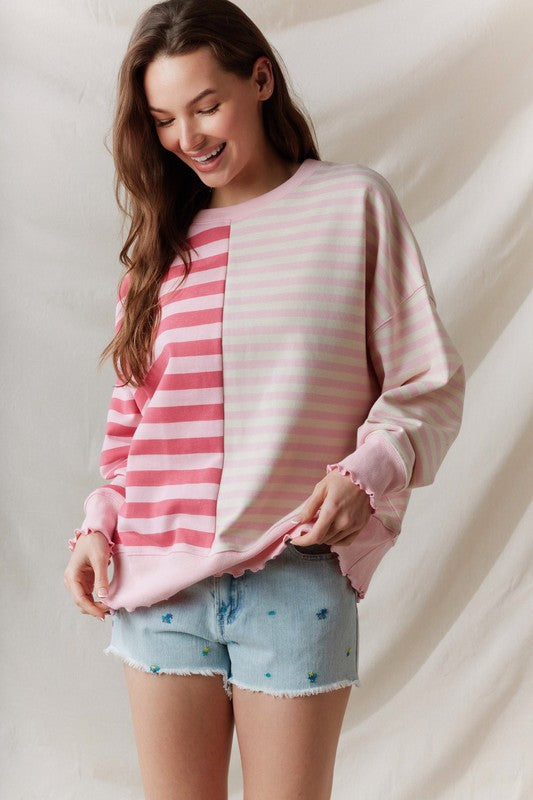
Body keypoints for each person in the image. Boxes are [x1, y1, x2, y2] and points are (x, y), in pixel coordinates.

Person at [63, 1, 465, 798]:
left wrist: (363, 475)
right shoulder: (158, 256)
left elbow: (426, 384)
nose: (188, 137)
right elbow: (132, 429)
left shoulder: (350, 206)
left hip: (293, 574)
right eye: (163, 120)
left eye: (206, 105)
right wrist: (98, 524)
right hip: (157, 583)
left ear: (259, 80)